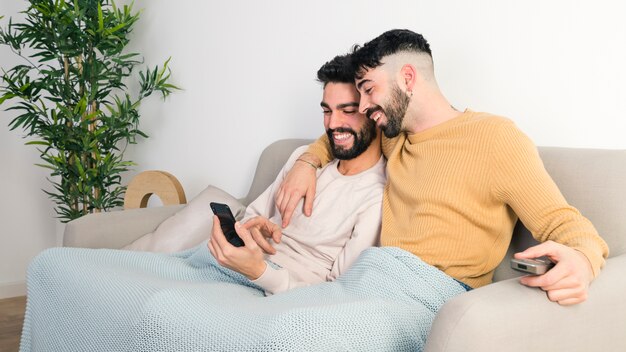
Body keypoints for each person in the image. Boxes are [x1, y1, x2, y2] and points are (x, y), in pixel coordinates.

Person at [275, 29, 609, 305]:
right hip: (369, 281)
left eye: (369, 90)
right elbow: (341, 135)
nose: (363, 106)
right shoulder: (394, 137)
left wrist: (582, 260)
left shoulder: (494, 137)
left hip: (434, 295)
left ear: (407, 77)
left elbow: (563, 221)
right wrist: (306, 162)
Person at [208, 54, 386, 295]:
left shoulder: (376, 196)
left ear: (374, 112)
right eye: (327, 111)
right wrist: (252, 231)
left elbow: (339, 291)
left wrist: (260, 272)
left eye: (348, 111)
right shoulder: (304, 158)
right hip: (239, 271)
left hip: (286, 295)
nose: (332, 124)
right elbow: (254, 214)